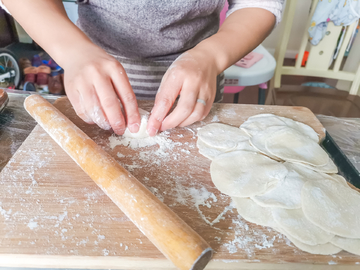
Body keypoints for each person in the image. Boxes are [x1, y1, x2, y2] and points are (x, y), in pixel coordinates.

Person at [2, 0, 284, 136]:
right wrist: (73, 52)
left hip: (197, 77)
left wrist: (211, 56)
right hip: (94, 76)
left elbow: (257, 3)